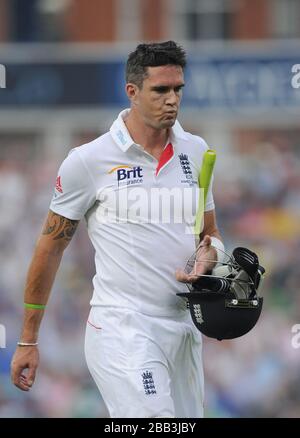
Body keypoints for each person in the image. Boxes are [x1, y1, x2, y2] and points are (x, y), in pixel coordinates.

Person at [11, 41, 224, 418]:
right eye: (160, 90)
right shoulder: (88, 161)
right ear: (132, 92)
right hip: (123, 326)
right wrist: (28, 338)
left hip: (183, 328)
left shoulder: (196, 150)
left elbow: (209, 235)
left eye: (178, 89)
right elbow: (50, 248)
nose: (172, 99)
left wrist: (211, 256)